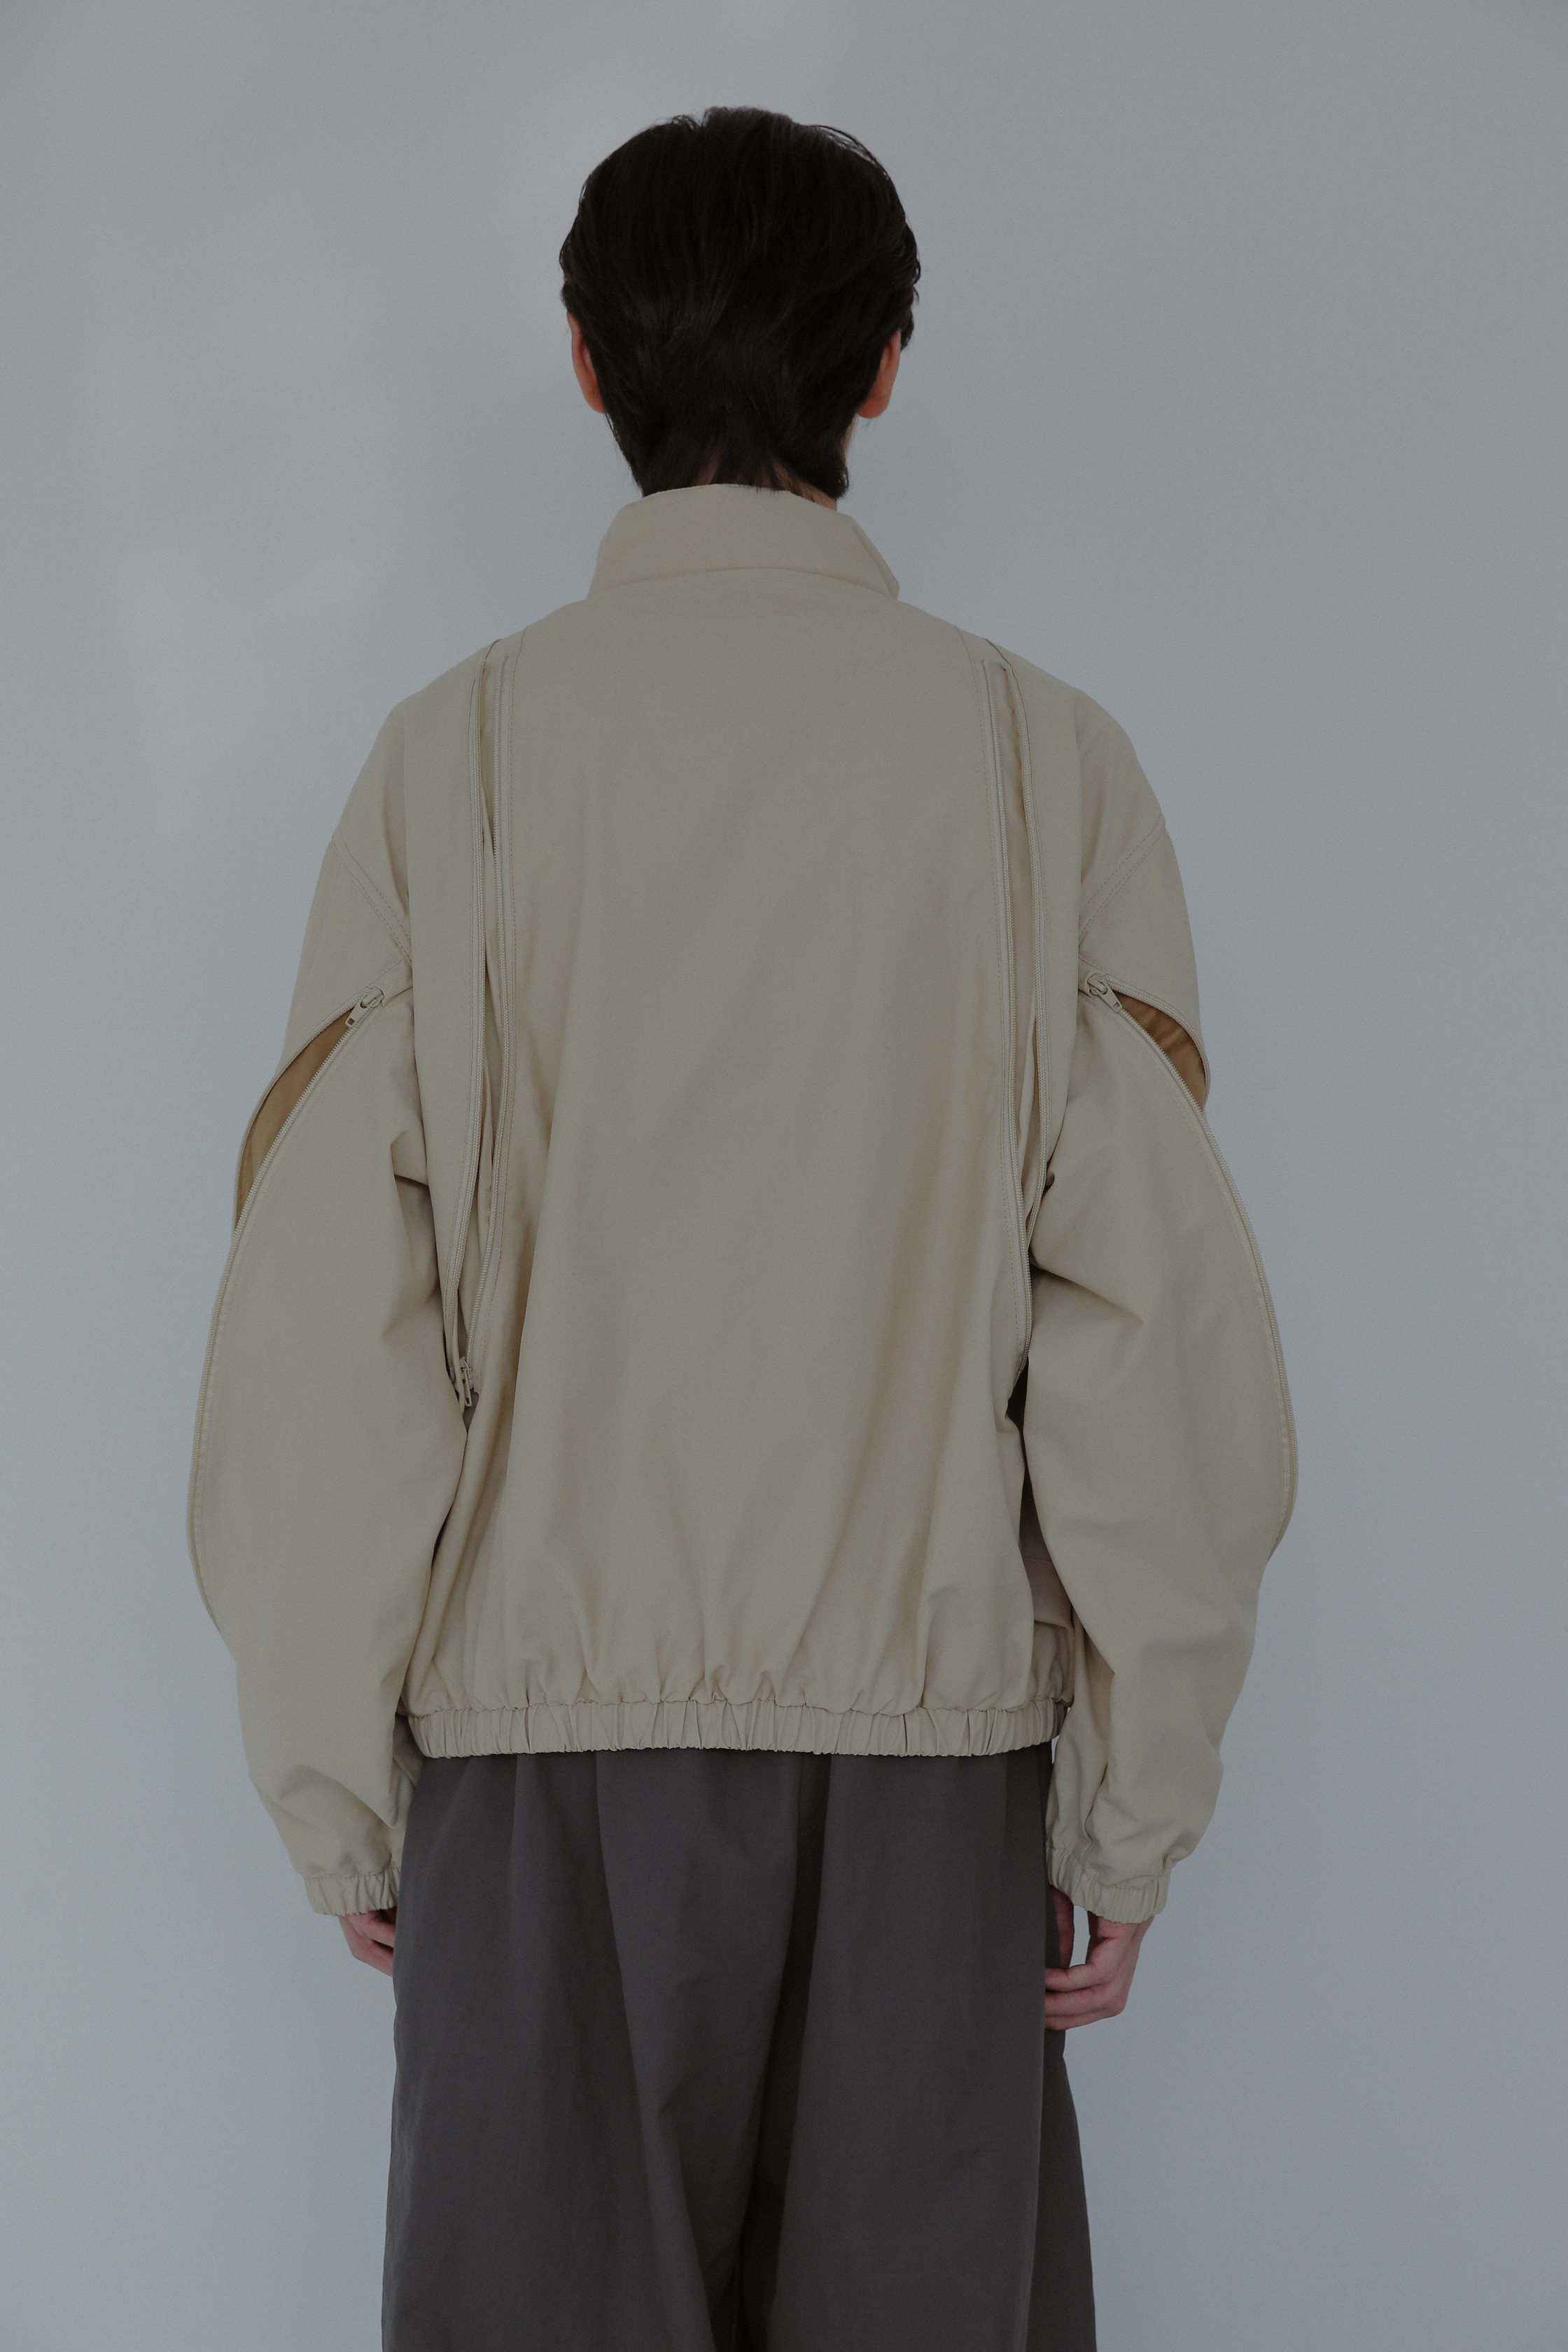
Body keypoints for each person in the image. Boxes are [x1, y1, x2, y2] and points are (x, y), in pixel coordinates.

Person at [188, 104, 1295, 2352]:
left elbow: (326, 1331)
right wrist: (1133, 1796)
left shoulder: (451, 765)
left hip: (534, 1772)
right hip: (933, 1777)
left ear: (586, 365)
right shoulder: (1038, 761)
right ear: (883, 367)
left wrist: (337, 1785)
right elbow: (1151, 1332)